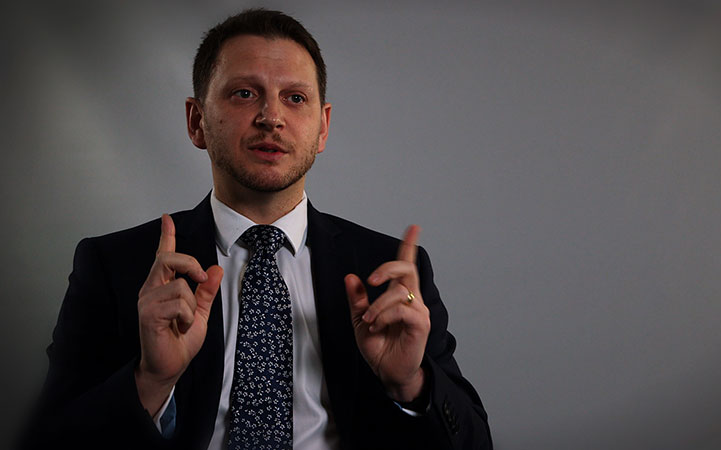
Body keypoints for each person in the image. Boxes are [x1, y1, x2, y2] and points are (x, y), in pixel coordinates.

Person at [22, 8, 491, 450]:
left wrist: (410, 384)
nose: (272, 117)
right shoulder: (115, 266)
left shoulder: (389, 273)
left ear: (322, 128)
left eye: (295, 98)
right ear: (196, 121)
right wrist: (150, 382)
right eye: (244, 93)